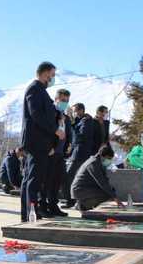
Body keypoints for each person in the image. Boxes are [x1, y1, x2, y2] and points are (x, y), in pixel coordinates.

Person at [19, 62, 64, 221]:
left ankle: (30, 213)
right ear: (45, 74)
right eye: (52, 75)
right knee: (33, 180)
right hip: (36, 142)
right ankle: (30, 214)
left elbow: (46, 114)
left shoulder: (41, 91)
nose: (53, 78)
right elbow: (36, 114)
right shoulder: (34, 89)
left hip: (42, 142)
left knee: (33, 178)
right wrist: (55, 130)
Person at [40, 89, 72, 217]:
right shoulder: (50, 113)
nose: (65, 103)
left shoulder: (66, 118)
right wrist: (49, 147)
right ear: (56, 99)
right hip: (50, 153)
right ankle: (42, 206)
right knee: (46, 181)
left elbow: (68, 135)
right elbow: (46, 132)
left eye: (67, 101)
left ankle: (53, 205)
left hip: (60, 154)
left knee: (57, 181)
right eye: (62, 100)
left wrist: (68, 147)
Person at [62, 103, 96, 208]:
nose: (74, 113)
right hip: (77, 152)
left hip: (80, 154)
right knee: (73, 177)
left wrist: (72, 127)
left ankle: (70, 200)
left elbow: (80, 137)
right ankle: (73, 200)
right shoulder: (80, 120)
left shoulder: (87, 121)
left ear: (81, 110)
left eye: (75, 111)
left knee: (69, 176)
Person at [71, 145, 124, 211]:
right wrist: (115, 197)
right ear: (102, 156)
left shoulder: (99, 162)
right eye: (108, 158)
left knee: (111, 191)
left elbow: (105, 180)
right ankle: (83, 204)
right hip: (79, 190)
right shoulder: (93, 163)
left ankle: (85, 204)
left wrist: (113, 192)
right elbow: (101, 182)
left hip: (86, 188)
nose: (109, 161)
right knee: (107, 194)